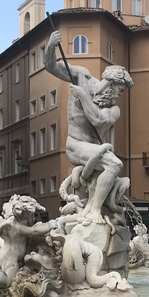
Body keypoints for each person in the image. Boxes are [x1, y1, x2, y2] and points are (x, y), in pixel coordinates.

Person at [45, 30, 134, 224]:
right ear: (111, 83)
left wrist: (84, 97)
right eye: (119, 90)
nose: (119, 96)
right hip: (76, 144)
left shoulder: (114, 109)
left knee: (113, 166)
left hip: (93, 146)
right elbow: (51, 67)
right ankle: (94, 211)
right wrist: (51, 46)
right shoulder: (81, 77)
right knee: (115, 164)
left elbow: (99, 122)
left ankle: (97, 208)